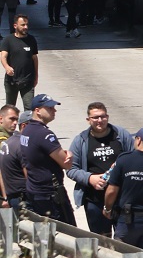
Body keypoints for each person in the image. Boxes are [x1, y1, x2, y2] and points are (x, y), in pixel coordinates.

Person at [66, 101, 134, 236]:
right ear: (88, 120)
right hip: (94, 200)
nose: (100, 120)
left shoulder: (121, 135)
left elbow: (134, 159)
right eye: (95, 117)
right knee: (101, 240)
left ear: (107, 117)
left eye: (103, 117)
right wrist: (90, 178)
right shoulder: (80, 140)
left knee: (126, 239)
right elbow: (71, 169)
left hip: (121, 198)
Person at [21, 93, 75, 223]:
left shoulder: (27, 130)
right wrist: (70, 155)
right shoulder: (44, 134)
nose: (54, 110)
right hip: (50, 195)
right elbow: (66, 164)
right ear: (37, 111)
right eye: (49, 107)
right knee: (67, 232)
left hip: (35, 190)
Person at [0, 14, 37, 109]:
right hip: (12, 81)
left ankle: (26, 124)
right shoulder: (8, 40)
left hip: (28, 80)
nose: (26, 27)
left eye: (27, 25)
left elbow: (34, 58)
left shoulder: (31, 39)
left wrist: (36, 75)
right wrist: (7, 67)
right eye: (23, 25)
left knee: (29, 109)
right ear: (15, 26)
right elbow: (3, 56)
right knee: (10, 108)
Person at [0, 110, 30, 209]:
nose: (15, 122)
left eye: (16, 119)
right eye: (12, 119)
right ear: (1, 119)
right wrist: (5, 197)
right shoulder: (2, 140)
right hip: (9, 196)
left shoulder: (13, 136)